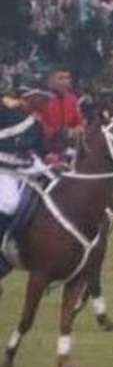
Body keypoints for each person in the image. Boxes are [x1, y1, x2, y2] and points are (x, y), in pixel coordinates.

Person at [0, 82, 49, 281]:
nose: (45, 102)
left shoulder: (35, 123)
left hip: (24, 169)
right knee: (9, 203)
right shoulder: (6, 113)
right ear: (28, 97)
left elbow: (38, 150)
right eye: (41, 97)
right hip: (3, 169)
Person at [32, 67, 83, 156]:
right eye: (61, 78)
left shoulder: (72, 99)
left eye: (67, 78)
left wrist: (73, 131)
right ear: (50, 81)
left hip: (65, 149)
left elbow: (79, 124)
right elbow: (37, 124)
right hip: (42, 150)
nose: (65, 82)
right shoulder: (39, 99)